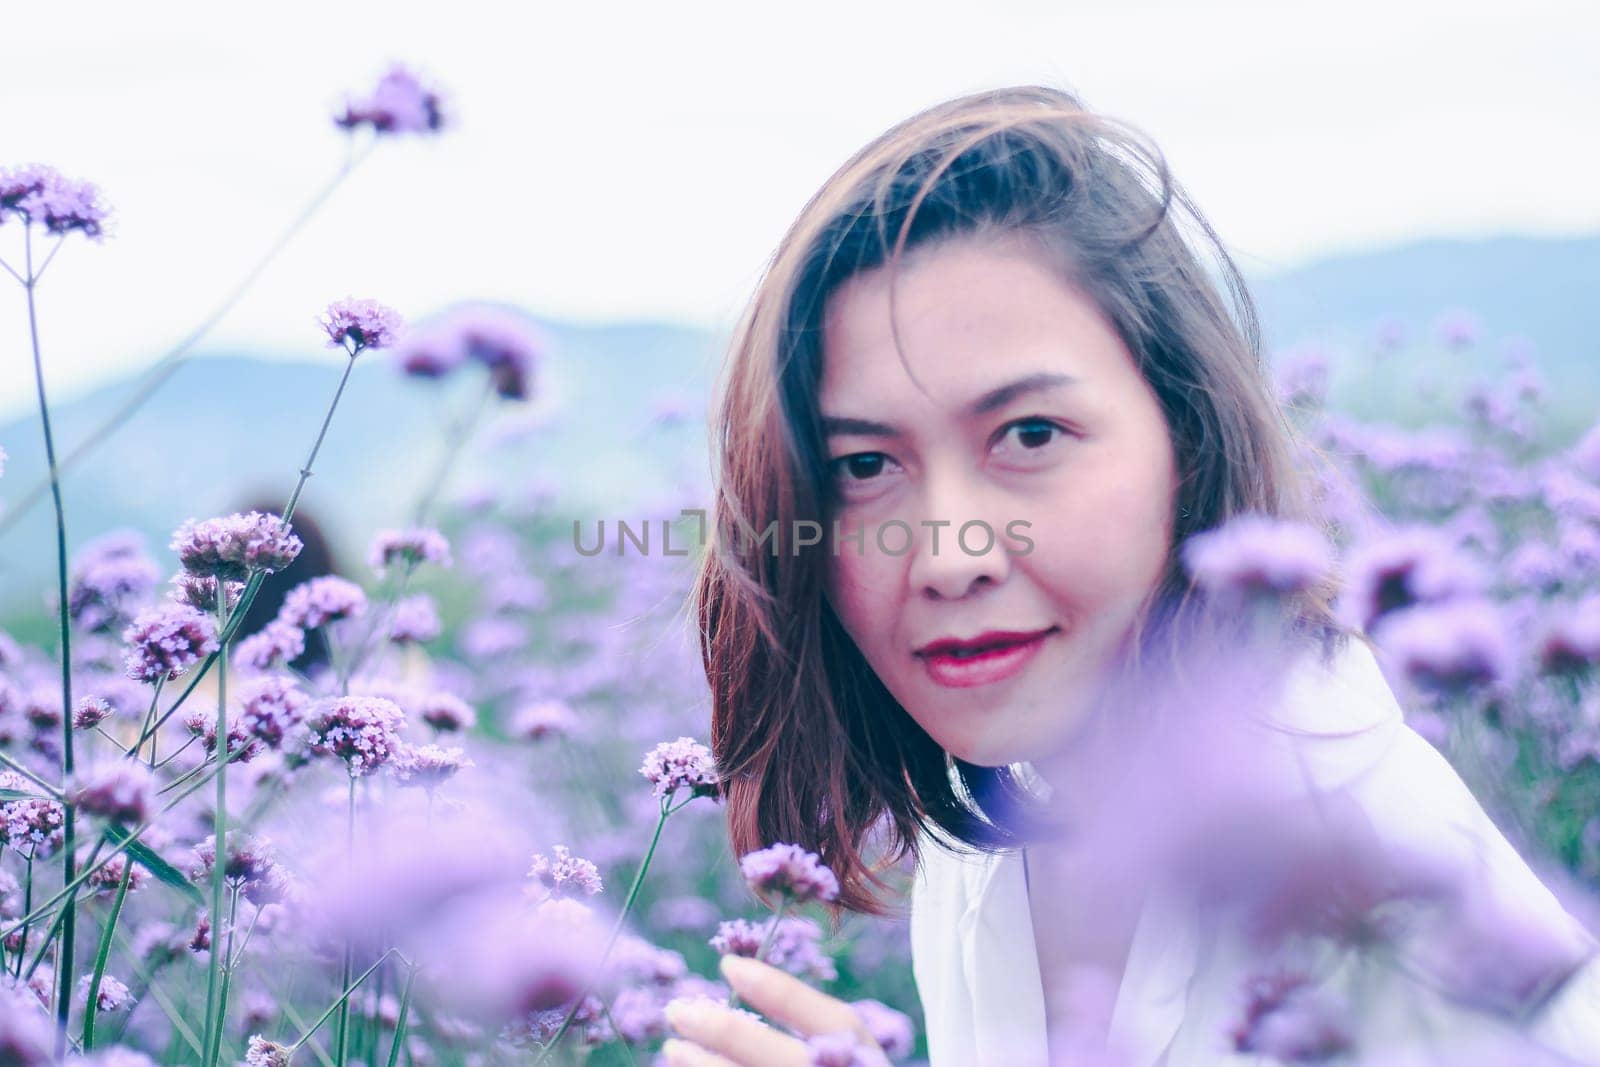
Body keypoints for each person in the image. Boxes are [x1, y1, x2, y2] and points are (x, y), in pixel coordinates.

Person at [672, 86, 1600, 1066]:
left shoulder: (1371, 878)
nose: (948, 556)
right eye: (864, 466)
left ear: (1187, 447)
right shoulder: (993, 819)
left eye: (1029, 435)